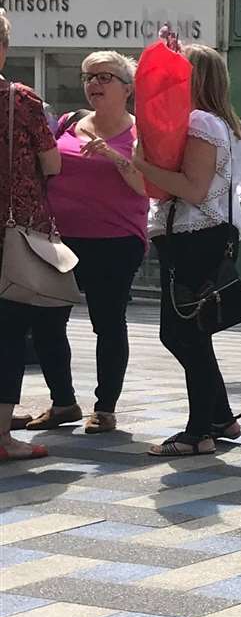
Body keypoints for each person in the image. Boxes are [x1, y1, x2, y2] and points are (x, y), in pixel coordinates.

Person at [127, 44, 241, 456]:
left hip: (194, 236)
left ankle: (199, 433)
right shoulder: (226, 124)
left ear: (191, 79)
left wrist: (141, 165)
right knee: (194, 333)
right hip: (206, 234)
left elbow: (193, 190)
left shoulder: (200, 121)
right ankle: (220, 417)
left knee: (181, 333)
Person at [21, 52, 150, 435]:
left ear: (127, 89)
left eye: (105, 77)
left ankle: (105, 407)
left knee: (107, 323)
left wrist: (113, 156)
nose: (93, 84)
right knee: (46, 320)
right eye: (88, 77)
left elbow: (148, 188)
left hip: (116, 240)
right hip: (58, 238)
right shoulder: (69, 122)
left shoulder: (141, 134)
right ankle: (63, 402)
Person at [0, 11, 64, 460]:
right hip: (12, 236)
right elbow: (53, 163)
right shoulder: (18, 99)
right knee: (7, 333)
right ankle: (1, 437)